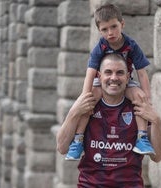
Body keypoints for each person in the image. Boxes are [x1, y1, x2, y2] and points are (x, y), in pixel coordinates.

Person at [56, 53, 161, 187]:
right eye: (108, 72)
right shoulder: (87, 107)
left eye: (120, 73)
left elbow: (158, 156)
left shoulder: (138, 108)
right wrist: (74, 112)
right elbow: (62, 148)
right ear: (99, 76)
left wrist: (157, 120)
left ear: (127, 77)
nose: (114, 78)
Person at [65, 3, 155, 160]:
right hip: (101, 82)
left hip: (125, 81)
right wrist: (85, 97)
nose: (110, 33)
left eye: (114, 27)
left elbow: (142, 74)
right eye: (104, 29)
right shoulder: (100, 47)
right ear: (99, 31)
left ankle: (142, 138)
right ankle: (78, 141)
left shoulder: (131, 46)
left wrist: (147, 97)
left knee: (140, 97)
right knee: (88, 101)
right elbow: (90, 74)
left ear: (122, 24)